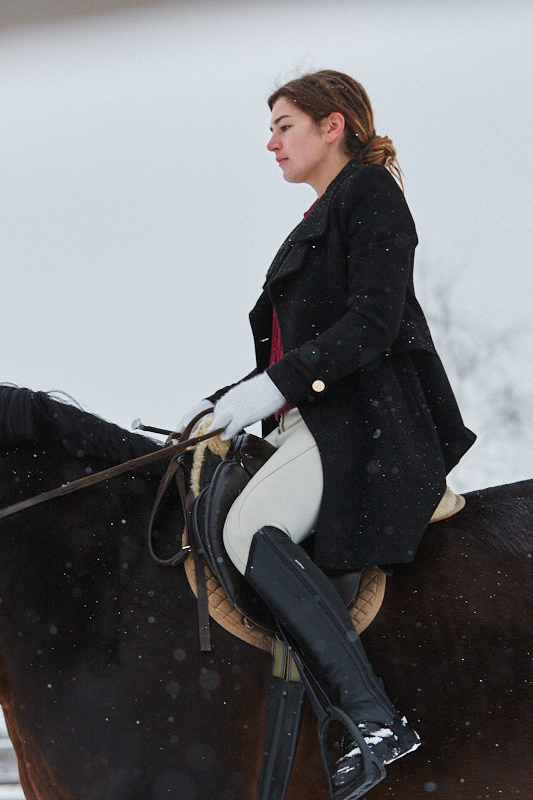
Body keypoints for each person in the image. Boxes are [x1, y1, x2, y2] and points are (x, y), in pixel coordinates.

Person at [180, 70, 476, 797]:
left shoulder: (370, 195)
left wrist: (274, 387)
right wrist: (229, 402)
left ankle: (372, 718)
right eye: (272, 129)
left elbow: (373, 324)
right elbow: (296, 351)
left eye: (284, 125)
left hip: (365, 423)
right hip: (311, 420)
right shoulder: (319, 215)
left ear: (332, 124)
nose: (271, 142)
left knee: (249, 532)